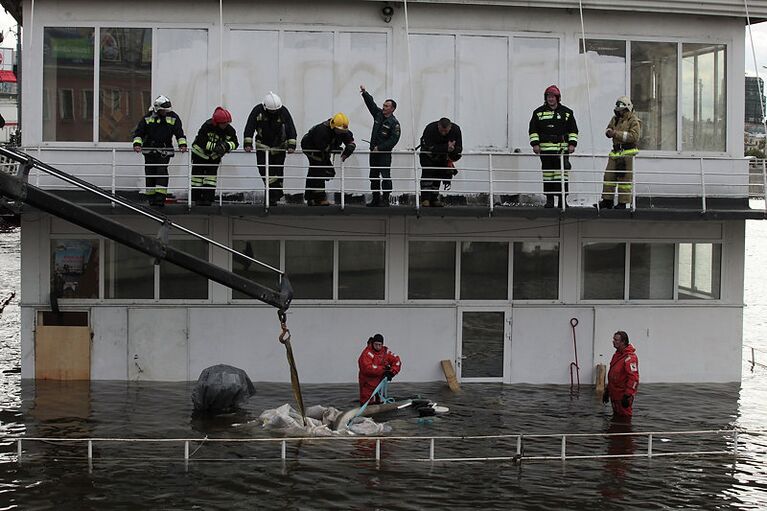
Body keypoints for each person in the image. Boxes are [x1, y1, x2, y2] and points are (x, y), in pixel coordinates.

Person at [132, 95, 188, 206]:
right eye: (163, 110)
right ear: (157, 108)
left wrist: (182, 144)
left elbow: (179, 133)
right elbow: (139, 133)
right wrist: (137, 144)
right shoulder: (147, 118)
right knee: (150, 172)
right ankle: (151, 198)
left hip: (164, 150)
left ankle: (160, 198)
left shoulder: (173, 117)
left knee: (161, 171)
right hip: (149, 150)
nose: (166, 112)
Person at [243, 91, 298, 205]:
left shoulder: (283, 112)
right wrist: (247, 144)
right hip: (263, 147)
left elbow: (291, 129)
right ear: (265, 107)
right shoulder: (258, 111)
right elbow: (250, 127)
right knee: (264, 170)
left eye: (275, 111)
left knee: (278, 173)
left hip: (279, 148)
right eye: (271, 111)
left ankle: (272, 199)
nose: (274, 113)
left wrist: (292, 145)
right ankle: (275, 193)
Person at [528, 85, 578, 209]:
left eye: (552, 97)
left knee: (562, 175)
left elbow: (573, 130)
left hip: (561, 149)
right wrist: (535, 145)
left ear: (557, 98)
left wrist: (572, 144)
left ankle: (562, 201)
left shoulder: (567, 113)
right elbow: (533, 130)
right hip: (545, 150)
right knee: (548, 175)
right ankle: (549, 200)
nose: (550, 99)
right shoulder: (538, 112)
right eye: (548, 97)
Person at [300, 113, 356, 206]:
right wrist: (334, 148)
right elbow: (322, 146)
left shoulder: (342, 129)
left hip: (323, 150)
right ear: (333, 126)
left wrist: (348, 151)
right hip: (311, 149)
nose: (340, 132)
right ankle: (319, 199)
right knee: (319, 170)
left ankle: (311, 198)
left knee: (316, 171)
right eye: (338, 130)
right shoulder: (322, 130)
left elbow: (350, 142)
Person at [360, 85, 401, 207]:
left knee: (385, 175)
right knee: (373, 175)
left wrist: (380, 148)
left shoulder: (394, 123)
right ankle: (375, 199)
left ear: (392, 109)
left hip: (384, 154)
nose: (383, 107)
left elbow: (394, 139)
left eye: (387, 106)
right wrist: (365, 93)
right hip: (373, 153)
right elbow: (371, 105)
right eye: (383, 105)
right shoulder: (378, 115)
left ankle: (385, 199)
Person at [598, 96, 641, 210]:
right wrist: (608, 132)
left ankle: (623, 203)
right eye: (618, 110)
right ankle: (607, 200)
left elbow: (634, 136)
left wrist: (615, 134)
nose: (619, 112)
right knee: (609, 176)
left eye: (621, 110)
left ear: (627, 108)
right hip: (615, 152)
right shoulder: (615, 118)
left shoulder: (634, 121)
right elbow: (608, 128)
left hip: (627, 152)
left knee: (624, 179)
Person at [190, 107, 238, 206]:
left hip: (213, 158)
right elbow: (201, 141)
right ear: (217, 122)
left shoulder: (230, 130)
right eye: (223, 123)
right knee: (197, 179)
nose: (225, 125)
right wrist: (215, 148)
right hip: (199, 155)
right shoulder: (207, 126)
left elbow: (235, 143)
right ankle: (196, 199)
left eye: (227, 123)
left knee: (210, 179)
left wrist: (226, 146)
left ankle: (208, 199)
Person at [419, 117, 462, 207]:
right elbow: (429, 146)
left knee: (438, 176)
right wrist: (447, 147)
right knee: (427, 175)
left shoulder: (456, 130)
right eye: (441, 130)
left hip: (443, 156)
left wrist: (453, 149)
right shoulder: (430, 128)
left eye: (445, 131)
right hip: (428, 155)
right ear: (438, 126)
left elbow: (459, 148)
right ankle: (425, 199)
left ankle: (434, 198)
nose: (443, 133)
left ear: (450, 128)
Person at [603, 330, 639, 418]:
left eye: (616, 340)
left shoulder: (630, 358)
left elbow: (634, 378)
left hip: (622, 396)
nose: (613, 341)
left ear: (623, 342)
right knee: (616, 417)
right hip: (614, 394)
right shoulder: (617, 355)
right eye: (613, 339)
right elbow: (613, 374)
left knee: (625, 418)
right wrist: (607, 391)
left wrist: (627, 395)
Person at [358, 333, 402, 405]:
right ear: (372, 343)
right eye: (376, 344)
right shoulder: (366, 353)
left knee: (380, 401)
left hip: (380, 383)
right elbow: (367, 368)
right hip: (367, 384)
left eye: (380, 345)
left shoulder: (385, 352)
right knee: (367, 402)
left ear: (382, 344)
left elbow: (397, 361)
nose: (378, 347)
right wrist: (384, 370)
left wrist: (391, 373)